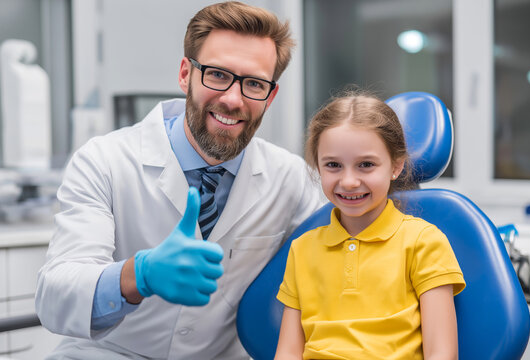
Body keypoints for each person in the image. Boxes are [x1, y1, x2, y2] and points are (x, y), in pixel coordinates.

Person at [35, 2, 323, 359]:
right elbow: (54, 294)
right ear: (186, 74)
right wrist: (138, 276)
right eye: (217, 74)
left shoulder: (290, 178)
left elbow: (331, 266)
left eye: (253, 84)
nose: (233, 99)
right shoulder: (105, 160)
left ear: (271, 95)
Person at [274, 92, 466, 360]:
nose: (349, 181)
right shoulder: (302, 249)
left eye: (366, 165)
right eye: (333, 165)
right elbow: (288, 353)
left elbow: (442, 353)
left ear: (396, 166)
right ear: (318, 166)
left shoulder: (424, 242)